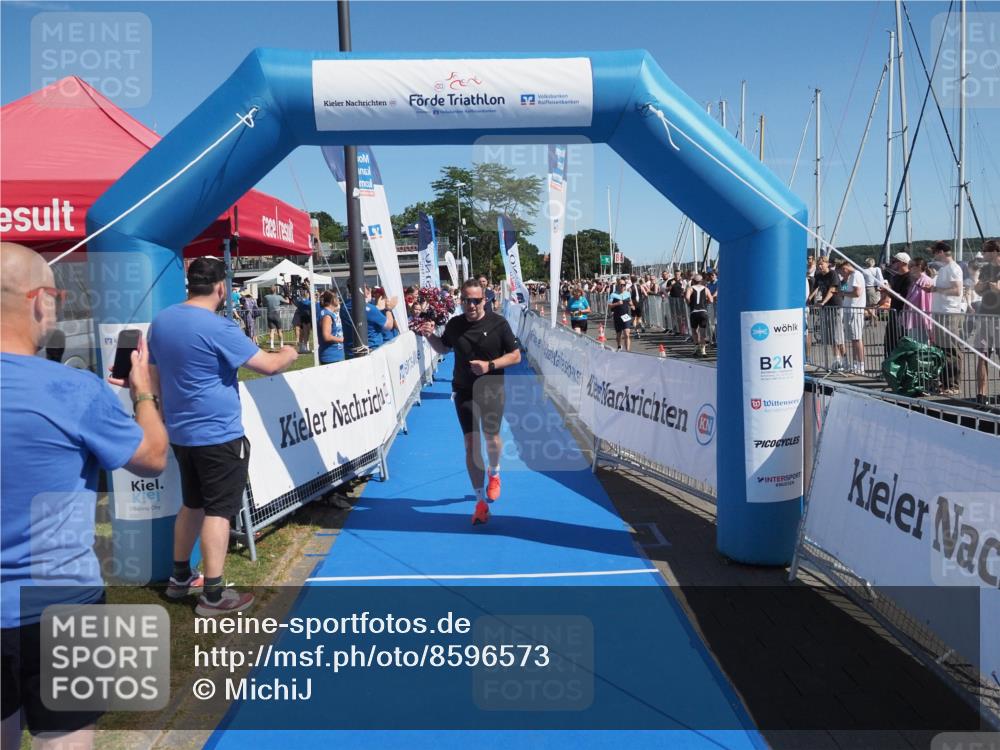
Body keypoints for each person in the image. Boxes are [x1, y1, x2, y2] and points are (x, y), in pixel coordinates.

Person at [1, 243, 167, 747]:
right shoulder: (74, 391)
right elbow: (152, 456)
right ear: (37, 301)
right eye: (56, 296)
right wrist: (143, 391)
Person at [150, 258, 298, 616]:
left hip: (182, 432)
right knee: (218, 511)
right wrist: (290, 351)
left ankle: (180, 577)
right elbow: (268, 365)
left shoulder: (162, 320)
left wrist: (161, 411)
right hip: (217, 433)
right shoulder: (219, 327)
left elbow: (153, 373)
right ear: (221, 287)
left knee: (193, 504)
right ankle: (213, 596)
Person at [416, 279, 521, 525]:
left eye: (476, 300)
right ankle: (480, 502)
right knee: (471, 444)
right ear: (461, 301)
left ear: (485, 300)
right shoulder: (455, 324)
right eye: (466, 300)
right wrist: (429, 336)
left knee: (491, 438)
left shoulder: (498, 323)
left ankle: (494, 473)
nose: (471, 305)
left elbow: (516, 356)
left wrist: (489, 365)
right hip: (463, 389)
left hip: (492, 388)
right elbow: (444, 348)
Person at [930, 241, 965, 394]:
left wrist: (937, 289)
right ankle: (945, 383)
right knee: (941, 349)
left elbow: (957, 290)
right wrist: (934, 289)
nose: (934, 256)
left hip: (949, 312)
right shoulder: (944, 269)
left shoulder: (953, 268)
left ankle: (953, 384)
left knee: (951, 349)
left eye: (934, 252)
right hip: (940, 312)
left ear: (941, 252)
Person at [974, 239, 1000, 407]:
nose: (983, 254)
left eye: (985, 251)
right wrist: (987, 285)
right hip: (984, 317)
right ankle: (981, 395)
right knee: (982, 356)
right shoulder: (985, 269)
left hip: (998, 319)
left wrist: (990, 286)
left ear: (995, 252)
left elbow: (998, 289)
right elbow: (977, 289)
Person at [341, 286, 398, 355]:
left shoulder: (344, 305)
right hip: (371, 351)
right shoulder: (369, 309)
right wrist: (388, 309)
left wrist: (376, 308)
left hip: (350, 352)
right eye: (367, 288)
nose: (369, 290)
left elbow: (363, 313)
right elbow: (388, 325)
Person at [813, 256, 844, 369]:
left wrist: (823, 302)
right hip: (826, 307)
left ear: (827, 264)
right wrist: (809, 299)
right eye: (818, 264)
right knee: (831, 336)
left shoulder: (833, 274)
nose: (820, 266)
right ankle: (836, 360)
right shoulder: (818, 275)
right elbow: (815, 288)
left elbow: (832, 289)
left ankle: (844, 360)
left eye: (822, 264)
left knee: (838, 335)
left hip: (835, 306)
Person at [882, 252, 914, 357]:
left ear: (903, 263)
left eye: (895, 261)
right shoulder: (895, 277)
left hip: (902, 313)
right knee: (889, 340)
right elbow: (894, 295)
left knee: (901, 340)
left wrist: (889, 290)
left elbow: (903, 297)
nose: (892, 263)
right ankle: (889, 361)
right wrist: (886, 291)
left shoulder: (909, 278)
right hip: (894, 312)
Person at [837, 260, 867, 374]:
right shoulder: (851, 276)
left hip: (855, 310)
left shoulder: (856, 275)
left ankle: (860, 365)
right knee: (853, 339)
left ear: (845, 268)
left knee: (857, 338)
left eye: (841, 272)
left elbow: (857, 293)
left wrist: (843, 293)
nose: (841, 275)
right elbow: (849, 290)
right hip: (849, 310)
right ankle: (855, 364)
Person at [686, 274, 714, 357]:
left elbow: (687, 297)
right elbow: (711, 300)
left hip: (694, 311)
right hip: (703, 312)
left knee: (694, 331)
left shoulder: (690, 288)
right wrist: (705, 303)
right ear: (701, 281)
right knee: (702, 332)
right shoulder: (706, 289)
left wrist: (690, 304)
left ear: (693, 281)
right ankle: (703, 351)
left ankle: (696, 348)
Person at [317, 291, 346, 364]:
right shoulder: (327, 315)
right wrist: (342, 339)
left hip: (336, 354)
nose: (338, 300)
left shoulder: (330, 313)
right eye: (337, 298)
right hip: (331, 356)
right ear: (333, 300)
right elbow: (327, 336)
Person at [608, 278, 634, 352]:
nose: (622, 286)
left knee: (627, 333)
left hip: (625, 316)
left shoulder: (627, 294)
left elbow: (630, 302)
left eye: (624, 285)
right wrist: (617, 303)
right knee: (618, 335)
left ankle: (627, 351)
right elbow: (609, 305)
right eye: (621, 285)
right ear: (617, 285)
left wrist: (632, 305)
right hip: (617, 316)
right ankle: (619, 346)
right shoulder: (613, 295)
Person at [262, 286, 286, 350]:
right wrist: (287, 298)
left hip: (269, 314)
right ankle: (281, 344)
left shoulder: (266, 296)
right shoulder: (279, 297)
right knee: (279, 330)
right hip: (276, 314)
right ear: (275, 290)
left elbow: (263, 303)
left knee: (272, 330)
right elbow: (287, 301)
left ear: (269, 290)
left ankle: (272, 345)